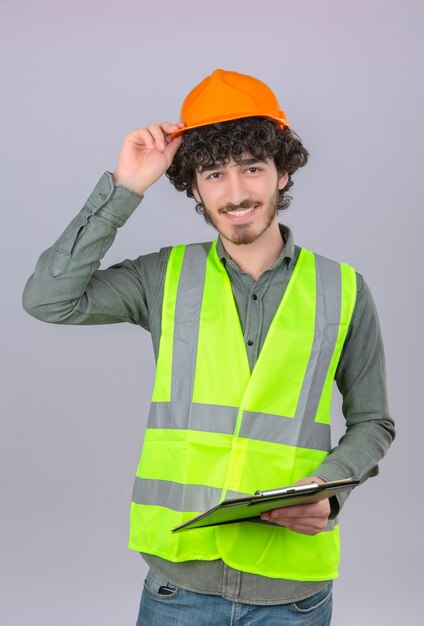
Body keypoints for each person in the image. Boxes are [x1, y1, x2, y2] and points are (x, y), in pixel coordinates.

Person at [22, 69, 395, 626]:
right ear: (193, 187)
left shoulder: (342, 288)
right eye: (213, 173)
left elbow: (373, 422)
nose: (236, 192)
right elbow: (48, 299)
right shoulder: (162, 277)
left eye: (252, 168)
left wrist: (329, 490)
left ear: (283, 173)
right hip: (178, 586)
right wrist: (126, 187)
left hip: (291, 591)